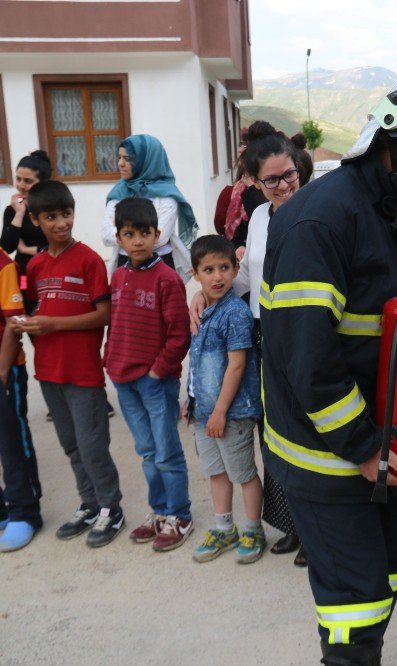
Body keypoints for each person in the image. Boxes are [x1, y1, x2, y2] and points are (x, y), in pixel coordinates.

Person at [259, 70, 397, 664]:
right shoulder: (320, 219)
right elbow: (307, 359)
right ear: (390, 130)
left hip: (383, 445)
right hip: (331, 455)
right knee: (352, 614)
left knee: (391, 578)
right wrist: (364, 449)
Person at [192, 120, 308, 565]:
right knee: (275, 434)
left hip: (305, 331)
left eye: (290, 174)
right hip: (265, 333)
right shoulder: (259, 218)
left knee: (307, 430)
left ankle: (316, 529)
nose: (283, 185)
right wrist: (202, 293)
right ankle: (291, 526)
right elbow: (245, 278)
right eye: (272, 179)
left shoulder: (317, 209)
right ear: (255, 183)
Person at [14, 180, 125, 548]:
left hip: (82, 372)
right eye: (51, 217)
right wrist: (30, 324)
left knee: (92, 445)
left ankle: (112, 507)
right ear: (35, 219)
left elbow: (104, 313)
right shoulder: (37, 265)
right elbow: (35, 310)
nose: (61, 223)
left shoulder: (89, 260)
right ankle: (89, 503)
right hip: (48, 371)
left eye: (67, 214)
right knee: (71, 445)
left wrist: (54, 324)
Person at [104, 197, 193, 552]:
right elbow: (116, 325)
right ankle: (159, 511)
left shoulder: (168, 279)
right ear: (119, 238)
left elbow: (179, 335)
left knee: (166, 452)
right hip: (124, 380)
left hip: (156, 382)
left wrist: (159, 371)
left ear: (158, 234)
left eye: (145, 233)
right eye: (130, 234)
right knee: (146, 451)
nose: (138, 240)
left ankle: (180, 514)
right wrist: (109, 360)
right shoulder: (118, 276)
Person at [185, 235, 265, 564]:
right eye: (208, 269)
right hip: (205, 411)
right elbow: (200, 362)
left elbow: (237, 364)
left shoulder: (235, 313)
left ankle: (252, 529)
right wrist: (194, 404)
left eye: (224, 267)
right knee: (215, 472)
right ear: (195, 273)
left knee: (243, 473)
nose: (217, 276)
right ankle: (223, 528)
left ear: (235, 270)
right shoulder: (203, 310)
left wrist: (219, 411)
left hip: (231, 412)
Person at [101, 134, 198, 279]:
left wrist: (124, 233)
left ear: (147, 161)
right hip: (124, 265)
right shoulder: (118, 192)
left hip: (160, 265)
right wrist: (145, 232)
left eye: (128, 159)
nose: (120, 163)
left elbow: (160, 238)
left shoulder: (166, 196)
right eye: (119, 157)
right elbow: (106, 235)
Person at [0, 245, 41, 552]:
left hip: (5, 371)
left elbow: (14, 323)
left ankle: (24, 510)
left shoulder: (3, 265)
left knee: (11, 441)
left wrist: (2, 373)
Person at [2, 150, 52, 279]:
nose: (21, 185)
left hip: (50, 269)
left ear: (43, 182)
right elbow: (6, 248)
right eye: (18, 179)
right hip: (23, 274)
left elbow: (59, 245)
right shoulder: (12, 210)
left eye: (28, 181)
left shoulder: (52, 208)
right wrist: (19, 213)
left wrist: (25, 249)